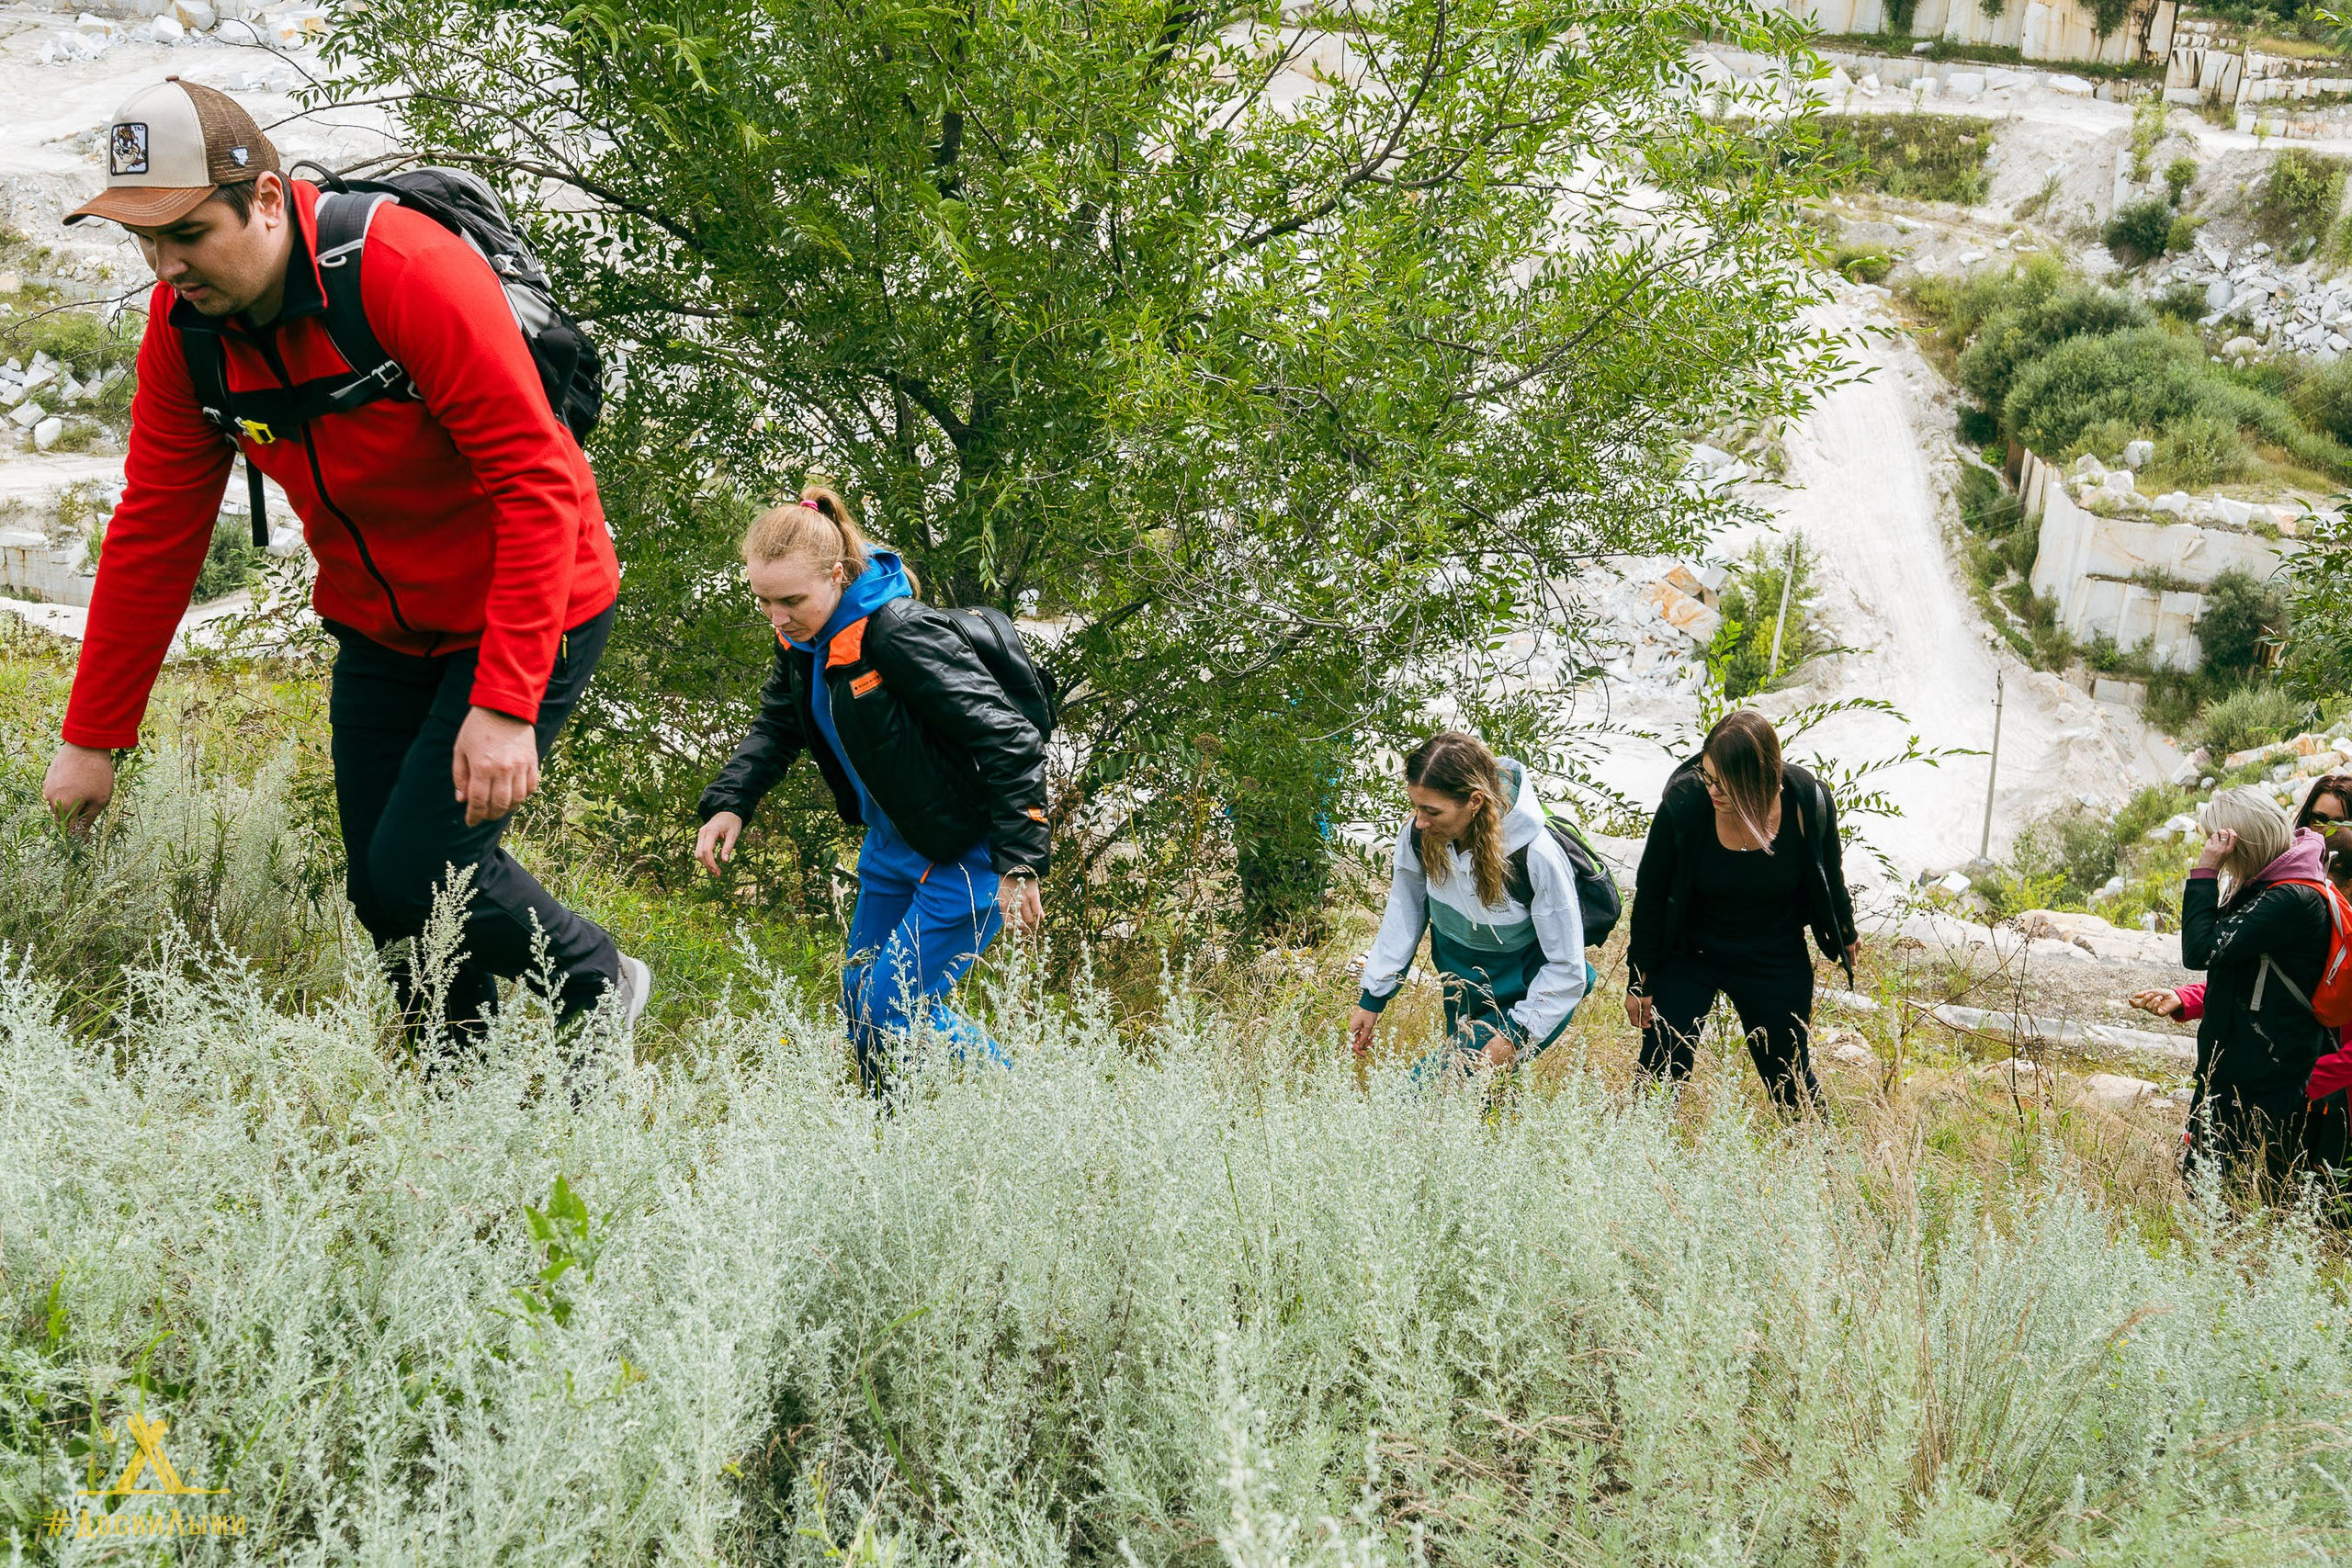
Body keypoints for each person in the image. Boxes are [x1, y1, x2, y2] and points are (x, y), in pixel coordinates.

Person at [38, 80, 645, 1043]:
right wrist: (93, 735)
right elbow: (154, 531)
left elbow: (541, 487)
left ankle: (598, 979)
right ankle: (463, 1103)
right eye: (142, 241)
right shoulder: (182, 331)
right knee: (384, 903)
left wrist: (505, 702)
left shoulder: (404, 272)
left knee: (422, 873)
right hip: (379, 621)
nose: (165, 265)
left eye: (187, 233)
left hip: (531, 602)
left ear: (267, 201)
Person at [694, 488, 1049, 1091]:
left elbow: (1011, 738)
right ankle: (889, 1131)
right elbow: (780, 724)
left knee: (890, 1009)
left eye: (790, 600)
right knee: (862, 1001)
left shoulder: (899, 635)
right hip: (894, 844)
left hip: (964, 853)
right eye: (763, 601)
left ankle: (1024, 1106)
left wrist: (1020, 861)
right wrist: (731, 801)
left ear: (837, 576)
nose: (777, 617)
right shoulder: (804, 640)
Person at [1623, 710, 1858, 1113]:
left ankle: (1819, 1161)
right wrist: (1638, 980)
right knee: (1661, 1070)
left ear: (1761, 779)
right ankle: (1635, 1158)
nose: (1711, 788)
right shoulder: (1686, 802)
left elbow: (1828, 872)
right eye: (1707, 775)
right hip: (1689, 951)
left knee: (1789, 1075)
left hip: (1773, 953)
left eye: (1723, 783)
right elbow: (1652, 894)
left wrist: (1845, 931)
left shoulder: (1805, 801)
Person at [2136, 773, 2352, 1193]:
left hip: (2270, 1077)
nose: (2326, 832)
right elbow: (2252, 974)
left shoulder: (2291, 896)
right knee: (2217, 1195)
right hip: (2248, 1071)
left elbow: (2201, 950)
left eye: (2338, 821)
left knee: (2230, 1200)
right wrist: (2186, 999)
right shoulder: (2275, 885)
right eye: (2316, 819)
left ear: (2240, 843)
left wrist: (2205, 870)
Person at [1348, 732, 1591, 1076]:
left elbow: (1567, 966)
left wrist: (1514, 1034)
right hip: (1462, 991)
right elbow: (1403, 915)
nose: (1419, 821)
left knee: (1419, 1095)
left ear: (1474, 801)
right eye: (1416, 807)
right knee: (1479, 1106)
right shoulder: (1420, 837)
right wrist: (1372, 999)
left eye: (1432, 810)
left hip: (1525, 998)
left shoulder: (1535, 853)